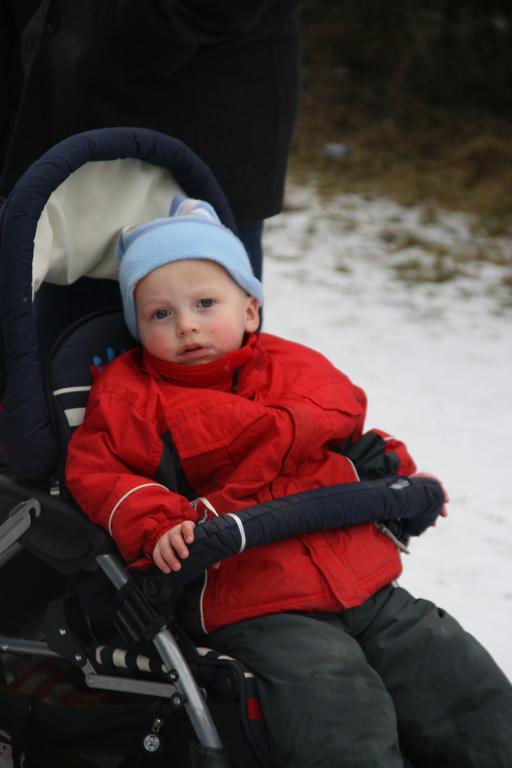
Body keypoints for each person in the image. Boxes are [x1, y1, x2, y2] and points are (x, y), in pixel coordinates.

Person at [66, 197, 512, 768]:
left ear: (250, 311)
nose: (187, 325)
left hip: (361, 577)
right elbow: (100, 472)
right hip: (255, 597)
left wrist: (396, 473)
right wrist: (158, 525)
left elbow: (349, 439)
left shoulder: (295, 368)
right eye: (160, 314)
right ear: (137, 327)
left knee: (456, 677)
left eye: (205, 304)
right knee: (338, 704)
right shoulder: (132, 396)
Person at [0, 0, 303, 279]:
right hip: (75, 116)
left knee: (195, 312)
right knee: (60, 317)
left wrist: (148, 25)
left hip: (187, 116)